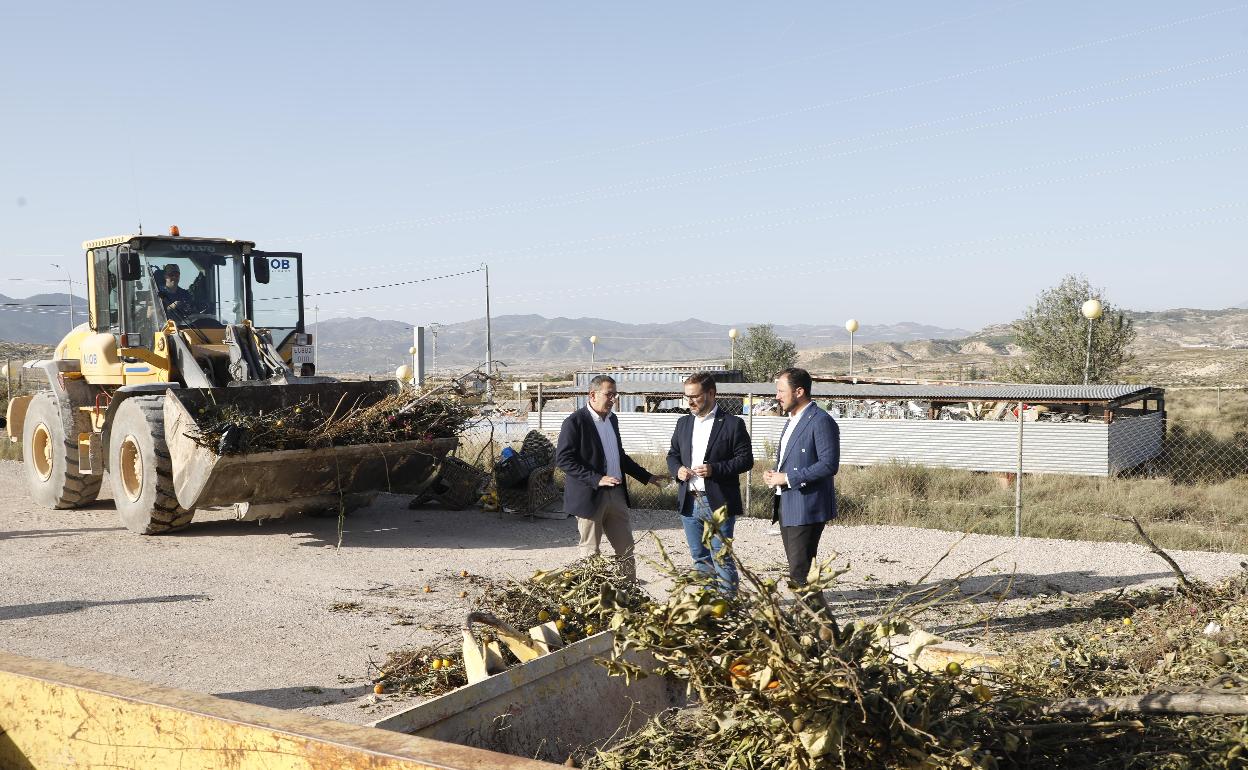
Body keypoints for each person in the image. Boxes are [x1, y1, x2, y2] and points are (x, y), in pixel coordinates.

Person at [556, 374, 667, 579]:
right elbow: (564, 460)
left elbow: (619, 456)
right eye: (609, 394)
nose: (613, 399)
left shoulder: (612, 420)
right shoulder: (575, 422)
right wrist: (596, 478)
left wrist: (647, 476)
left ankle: (629, 593)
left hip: (616, 494)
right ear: (592, 394)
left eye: (615, 394)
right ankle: (590, 597)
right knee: (591, 552)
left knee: (626, 549)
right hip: (590, 495)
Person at [666, 372, 753, 595]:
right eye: (687, 397)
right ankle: (709, 606)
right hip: (689, 500)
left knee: (721, 557)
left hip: (719, 502)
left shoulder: (733, 424)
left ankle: (730, 607)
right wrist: (677, 470)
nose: (690, 402)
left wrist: (715, 469)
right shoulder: (683, 423)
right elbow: (672, 455)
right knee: (699, 557)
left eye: (695, 396)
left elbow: (745, 460)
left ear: (712, 393)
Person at [763, 367, 840, 586]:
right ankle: (808, 616)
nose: (776, 396)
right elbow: (792, 458)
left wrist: (787, 478)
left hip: (807, 506)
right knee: (800, 571)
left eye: (780, 391)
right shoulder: (792, 420)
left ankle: (818, 619)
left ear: (799, 392)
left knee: (800, 575)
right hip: (787, 503)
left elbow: (828, 464)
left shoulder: (820, 421)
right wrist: (774, 474)